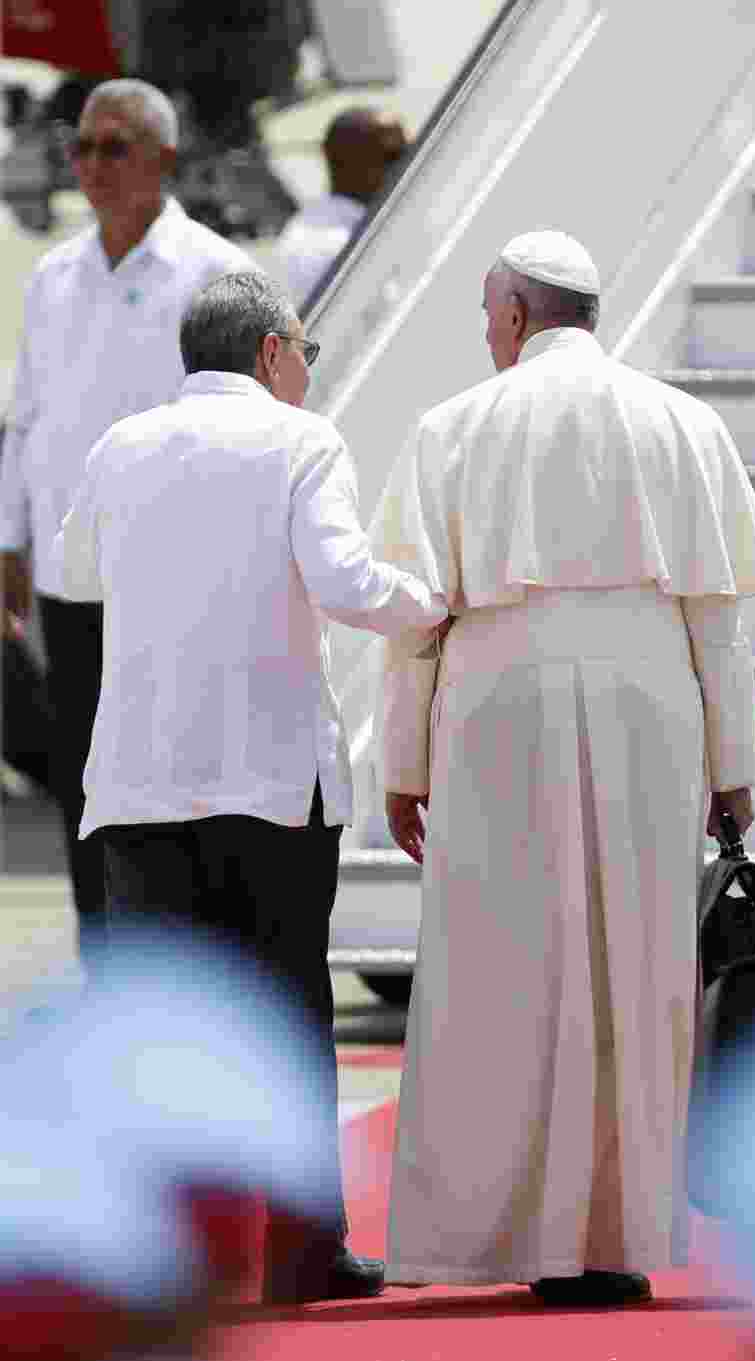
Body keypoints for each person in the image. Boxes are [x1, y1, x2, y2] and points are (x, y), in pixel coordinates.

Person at [370, 231, 755, 1304]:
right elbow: (717, 618)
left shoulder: (452, 426)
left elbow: (416, 623)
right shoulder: (683, 424)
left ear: (513, 315)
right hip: (650, 701)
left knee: (501, 972)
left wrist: (403, 761)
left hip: (494, 701)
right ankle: (617, 1235)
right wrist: (732, 763)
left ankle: (499, 1236)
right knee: (638, 966)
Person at [54, 270, 448, 1306]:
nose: (305, 373)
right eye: (304, 355)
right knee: (284, 1009)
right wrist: (437, 606)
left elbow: (80, 566)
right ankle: (301, 1247)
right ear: (273, 352)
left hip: (140, 783)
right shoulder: (301, 442)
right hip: (271, 782)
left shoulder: (118, 446)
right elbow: (348, 581)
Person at [0, 78, 252, 965]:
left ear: (165, 161)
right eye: (83, 148)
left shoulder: (217, 273)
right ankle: (105, 972)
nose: (93, 166)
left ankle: (186, 978)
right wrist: (8, 539)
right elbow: (26, 416)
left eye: (116, 148)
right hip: (74, 584)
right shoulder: (52, 277)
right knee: (83, 784)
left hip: (179, 588)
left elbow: (255, 426)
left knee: (177, 789)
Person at [272, 106, 409, 310]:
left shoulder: (360, 224)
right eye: (393, 155)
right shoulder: (331, 246)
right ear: (346, 160)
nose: (408, 163)